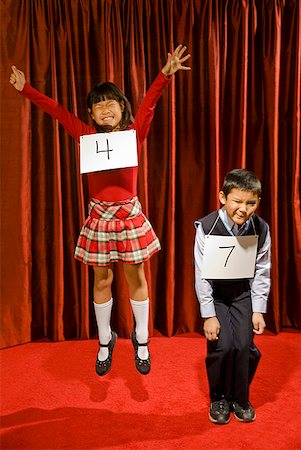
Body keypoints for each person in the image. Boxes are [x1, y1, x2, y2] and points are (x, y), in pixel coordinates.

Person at [10, 45, 191, 376]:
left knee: (136, 275)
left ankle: (141, 339)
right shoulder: (84, 135)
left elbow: (149, 104)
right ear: (91, 114)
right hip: (99, 218)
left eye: (111, 103)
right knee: (102, 278)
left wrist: (164, 75)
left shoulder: (134, 135)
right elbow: (57, 112)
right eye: (97, 104)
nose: (104, 108)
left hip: (130, 215)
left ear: (122, 108)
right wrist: (26, 89)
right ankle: (105, 340)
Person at [194, 169, 271, 423]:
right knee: (223, 345)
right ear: (223, 197)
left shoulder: (261, 228)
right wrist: (208, 315)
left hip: (242, 293)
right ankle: (218, 397)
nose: (243, 208)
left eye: (251, 203)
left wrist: (258, 309)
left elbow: (262, 269)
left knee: (244, 346)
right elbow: (201, 273)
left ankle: (239, 397)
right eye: (237, 201)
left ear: (258, 202)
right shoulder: (207, 226)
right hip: (216, 294)